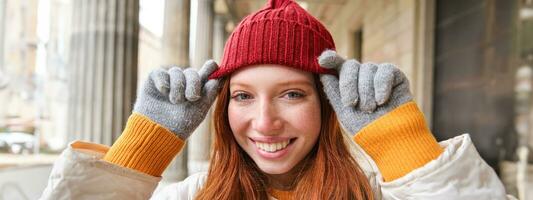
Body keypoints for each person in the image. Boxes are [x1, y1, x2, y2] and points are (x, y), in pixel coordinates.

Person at [40, 0, 514, 199]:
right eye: (243, 96)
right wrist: (144, 147)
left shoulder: (376, 194)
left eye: (291, 94)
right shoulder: (193, 195)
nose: (264, 122)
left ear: (328, 103)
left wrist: (404, 144)